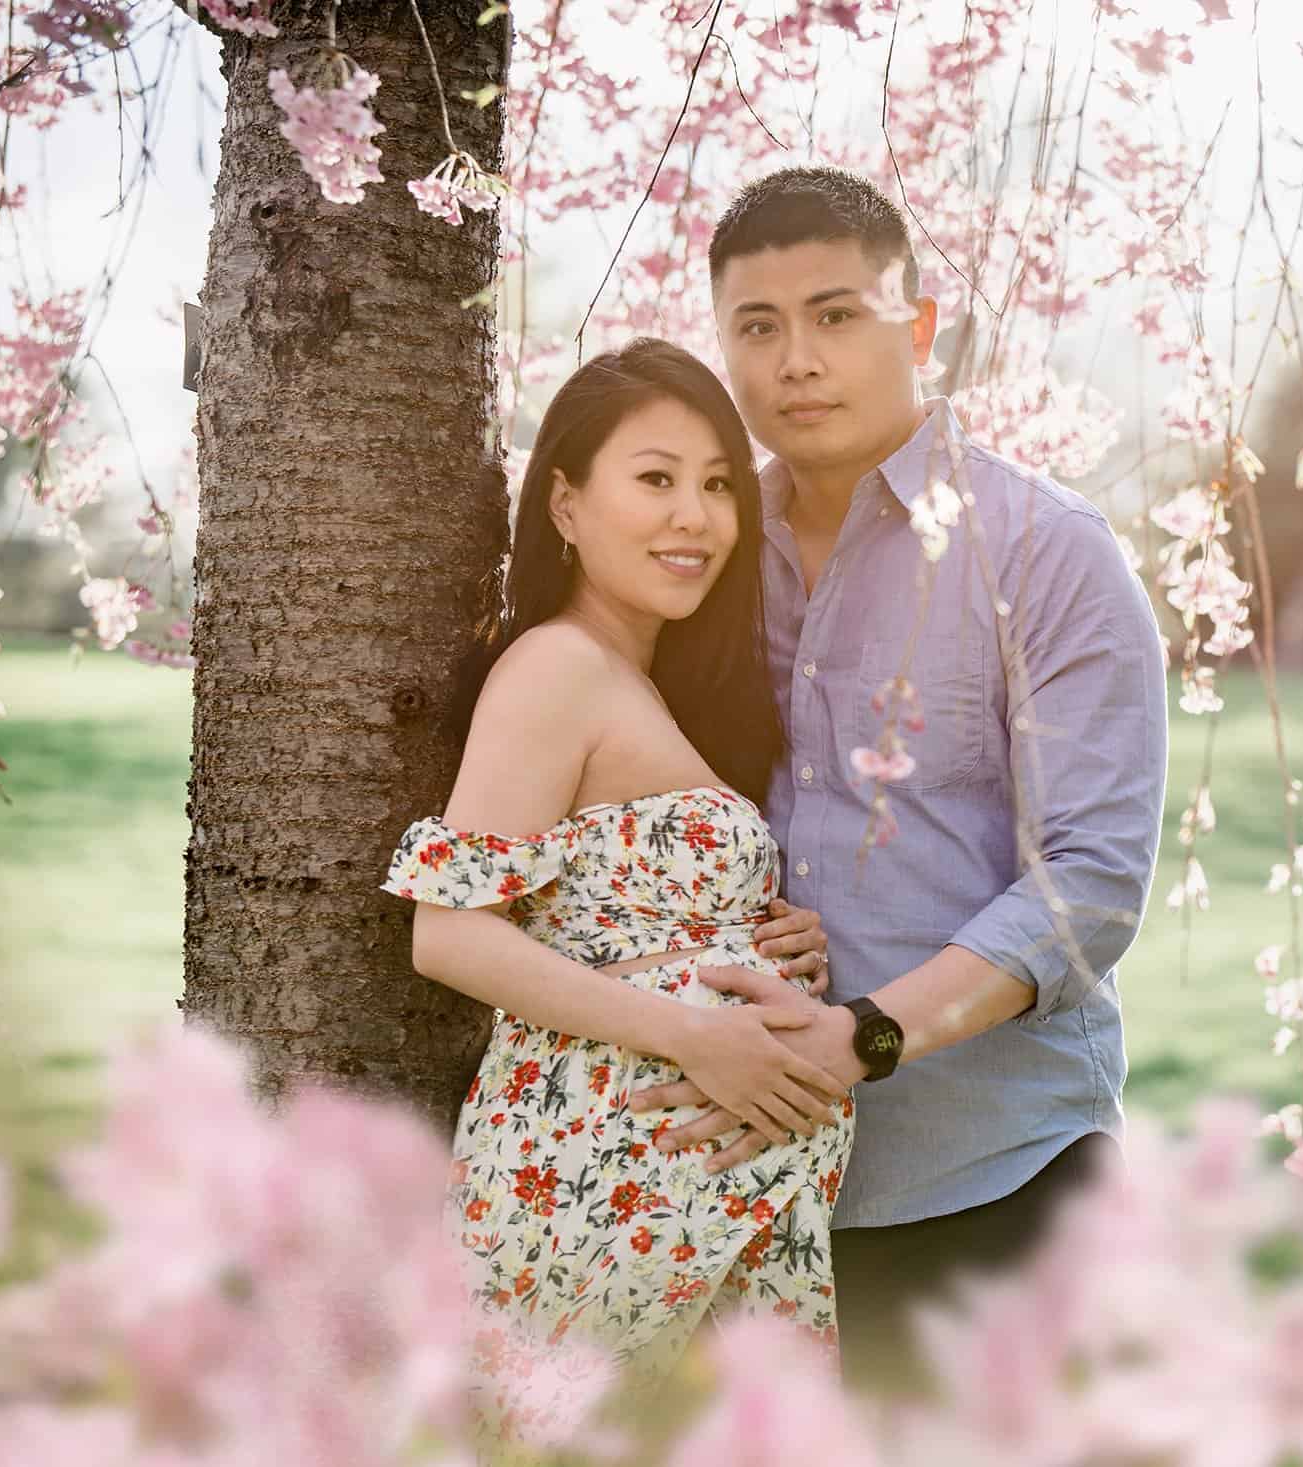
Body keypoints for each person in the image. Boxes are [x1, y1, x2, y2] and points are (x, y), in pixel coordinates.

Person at [629, 165, 1169, 1388]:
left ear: (916, 330)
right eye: (756, 329)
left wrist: (860, 1038)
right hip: (736, 1192)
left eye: (835, 316)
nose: (795, 361)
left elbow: (1088, 887)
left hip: (991, 1180)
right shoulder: (694, 557)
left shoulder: (1045, 555)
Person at [378, 339, 855, 1402]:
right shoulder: (554, 667)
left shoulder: (649, 686)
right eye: (655, 478)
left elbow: (623, 911)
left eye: (719, 485)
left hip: (687, 1204)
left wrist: (770, 938)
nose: (695, 516)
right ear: (564, 504)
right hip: (590, 1191)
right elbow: (449, 935)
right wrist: (694, 1032)